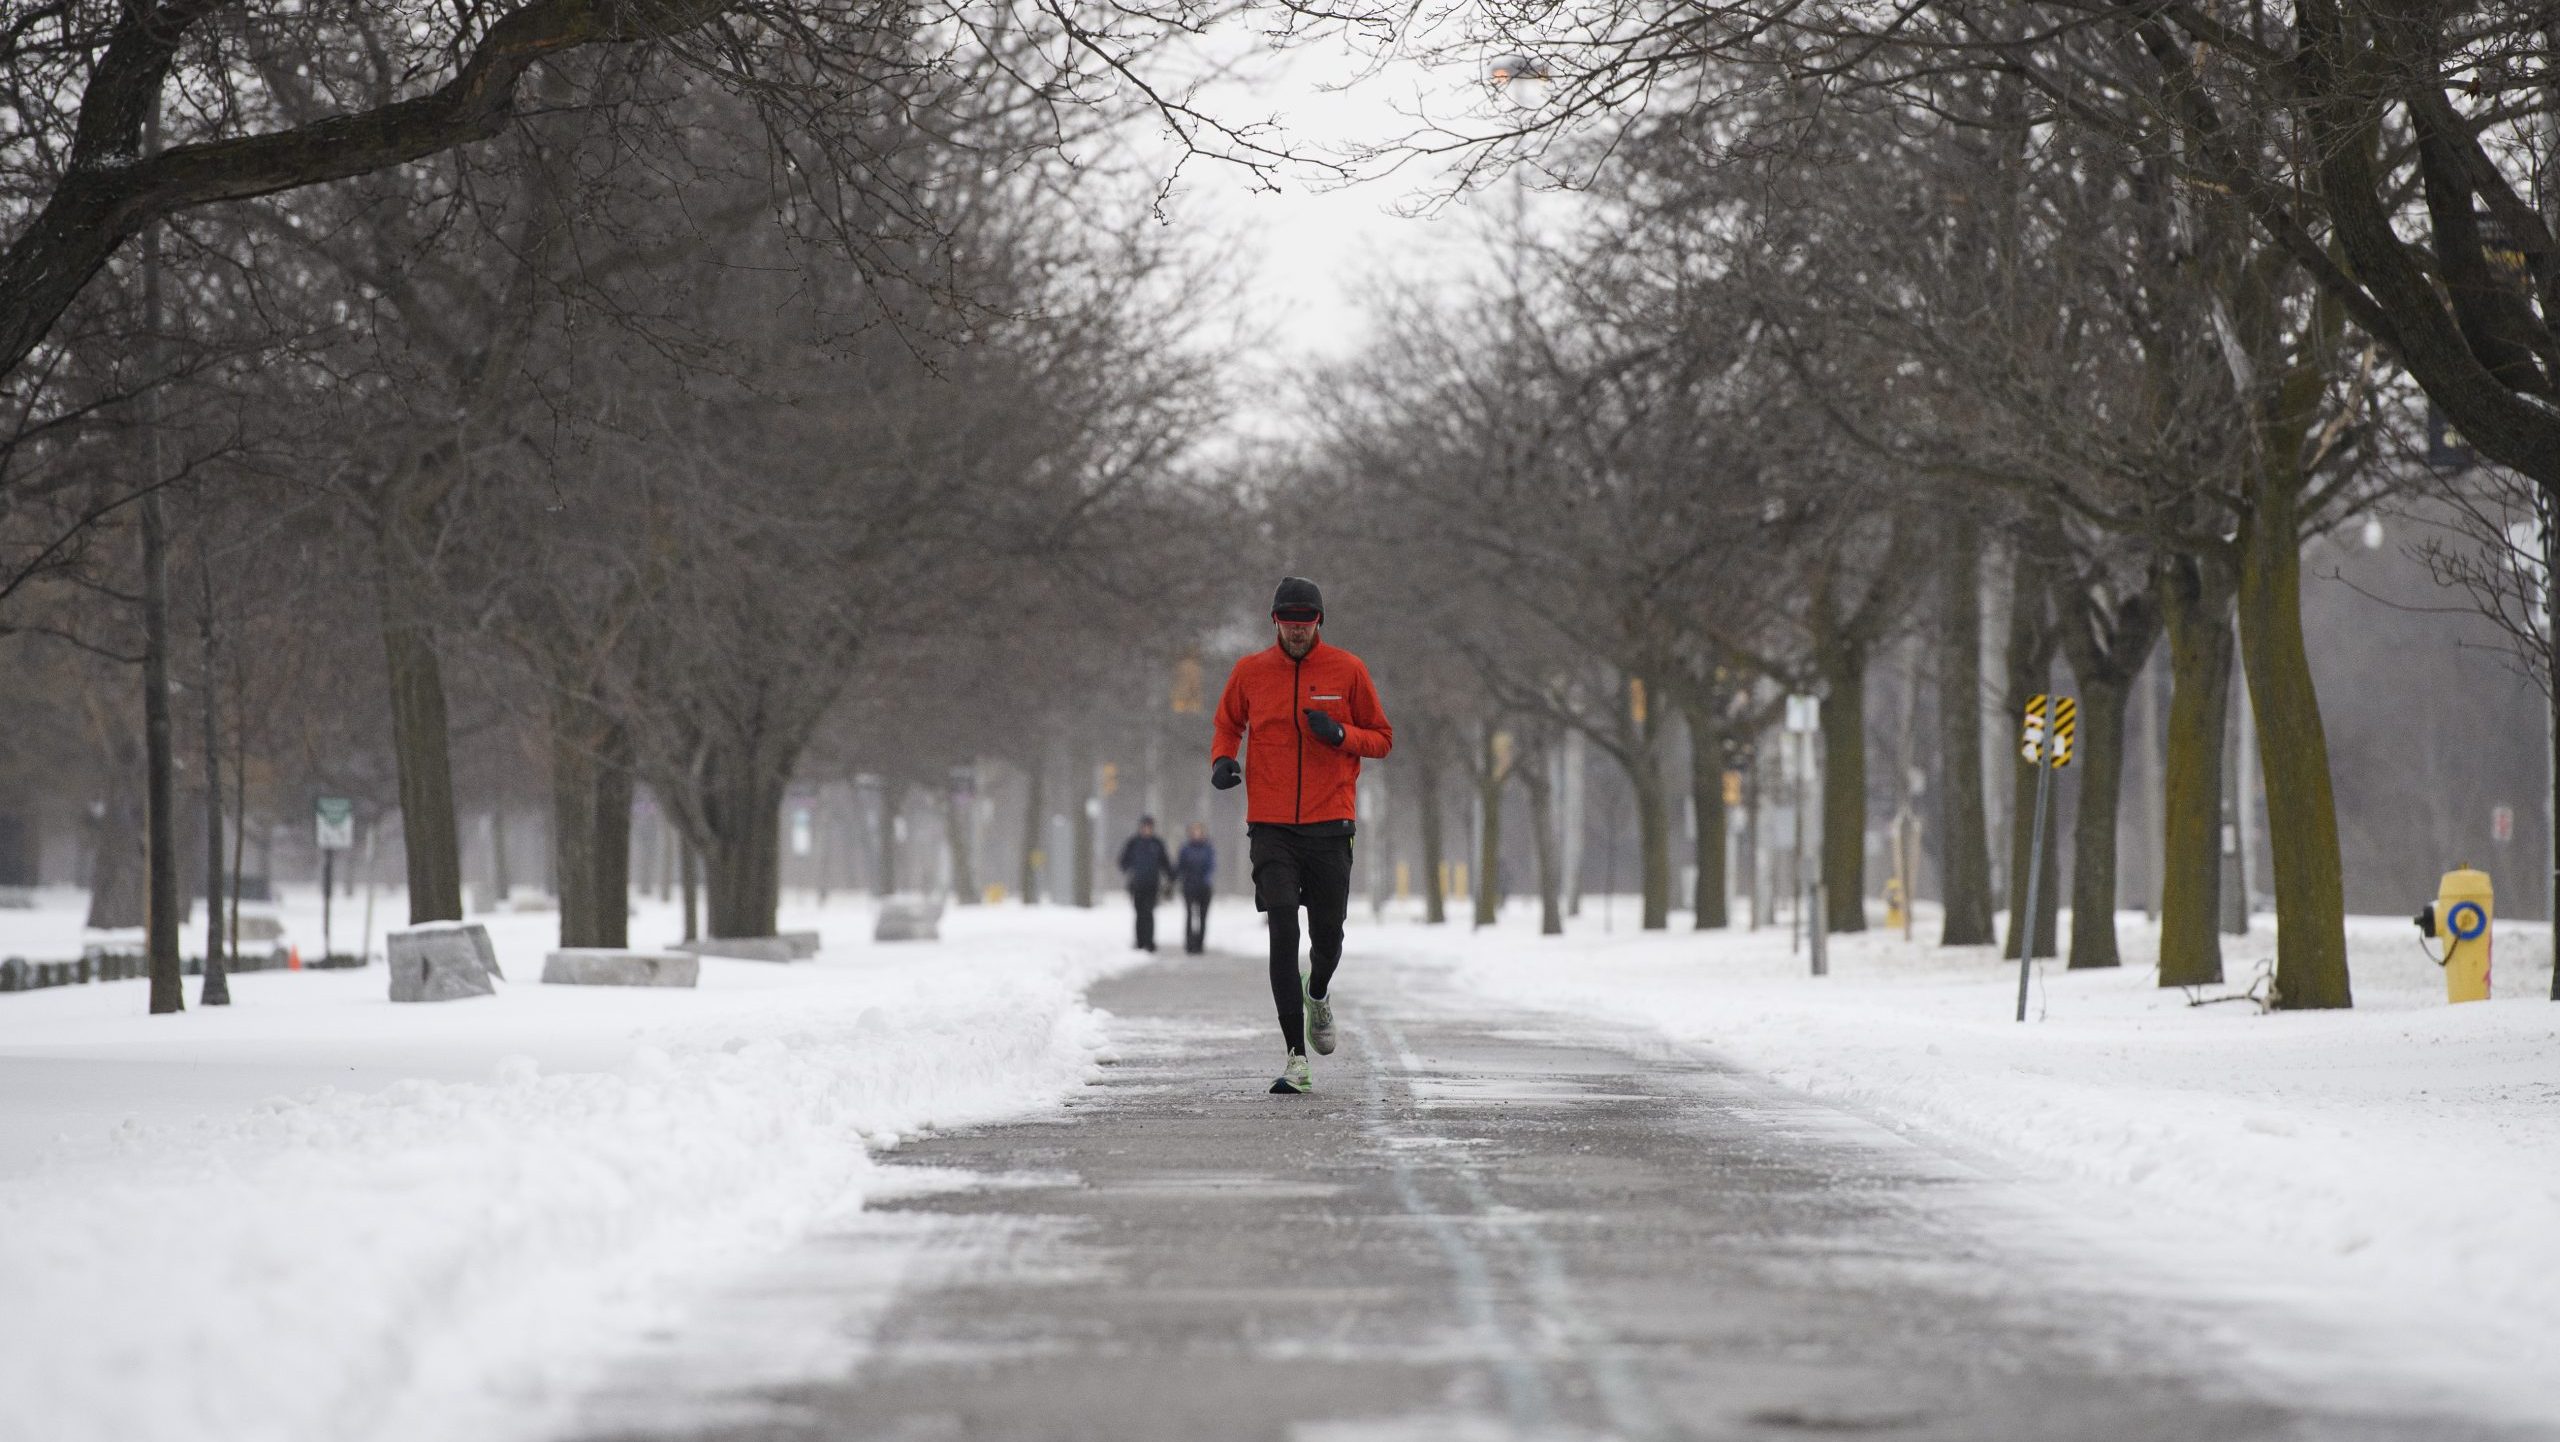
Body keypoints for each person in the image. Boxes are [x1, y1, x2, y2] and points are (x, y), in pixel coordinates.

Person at [1210, 576, 1393, 1094]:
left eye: (1304, 625)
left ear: (1319, 622)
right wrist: (1222, 760)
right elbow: (1228, 724)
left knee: (1327, 938)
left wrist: (1340, 735)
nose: (1296, 634)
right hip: (1270, 825)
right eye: (1288, 625)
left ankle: (1319, 990)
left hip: (1330, 822)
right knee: (1283, 931)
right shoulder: (1250, 672)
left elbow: (1382, 739)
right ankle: (1295, 1058)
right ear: (1275, 622)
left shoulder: (1348, 670)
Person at [1117, 817, 1174, 952]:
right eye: (1144, 826)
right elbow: (1123, 860)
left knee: (1149, 912)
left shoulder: (1157, 843)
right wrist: (1128, 869)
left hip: (1152, 883)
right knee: (1139, 912)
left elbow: (1165, 862)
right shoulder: (1133, 843)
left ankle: (1149, 941)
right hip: (1137, 883)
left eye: (1149, 827)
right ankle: (1139, 940)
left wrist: (1171, 876)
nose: (1146, 829)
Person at [1175, 823, 1217, 954]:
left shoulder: (1208, 848)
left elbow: (1212, 866)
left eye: (1199, 831)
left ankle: (1200, 944)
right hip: (1189, 886)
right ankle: (1189, 943)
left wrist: (1206, 879)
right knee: (1189, 915)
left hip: (1204, 887)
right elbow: (1179, 866)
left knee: (1203, 916)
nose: (1196, 834)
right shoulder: (1185, 849)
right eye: (1194, 831)